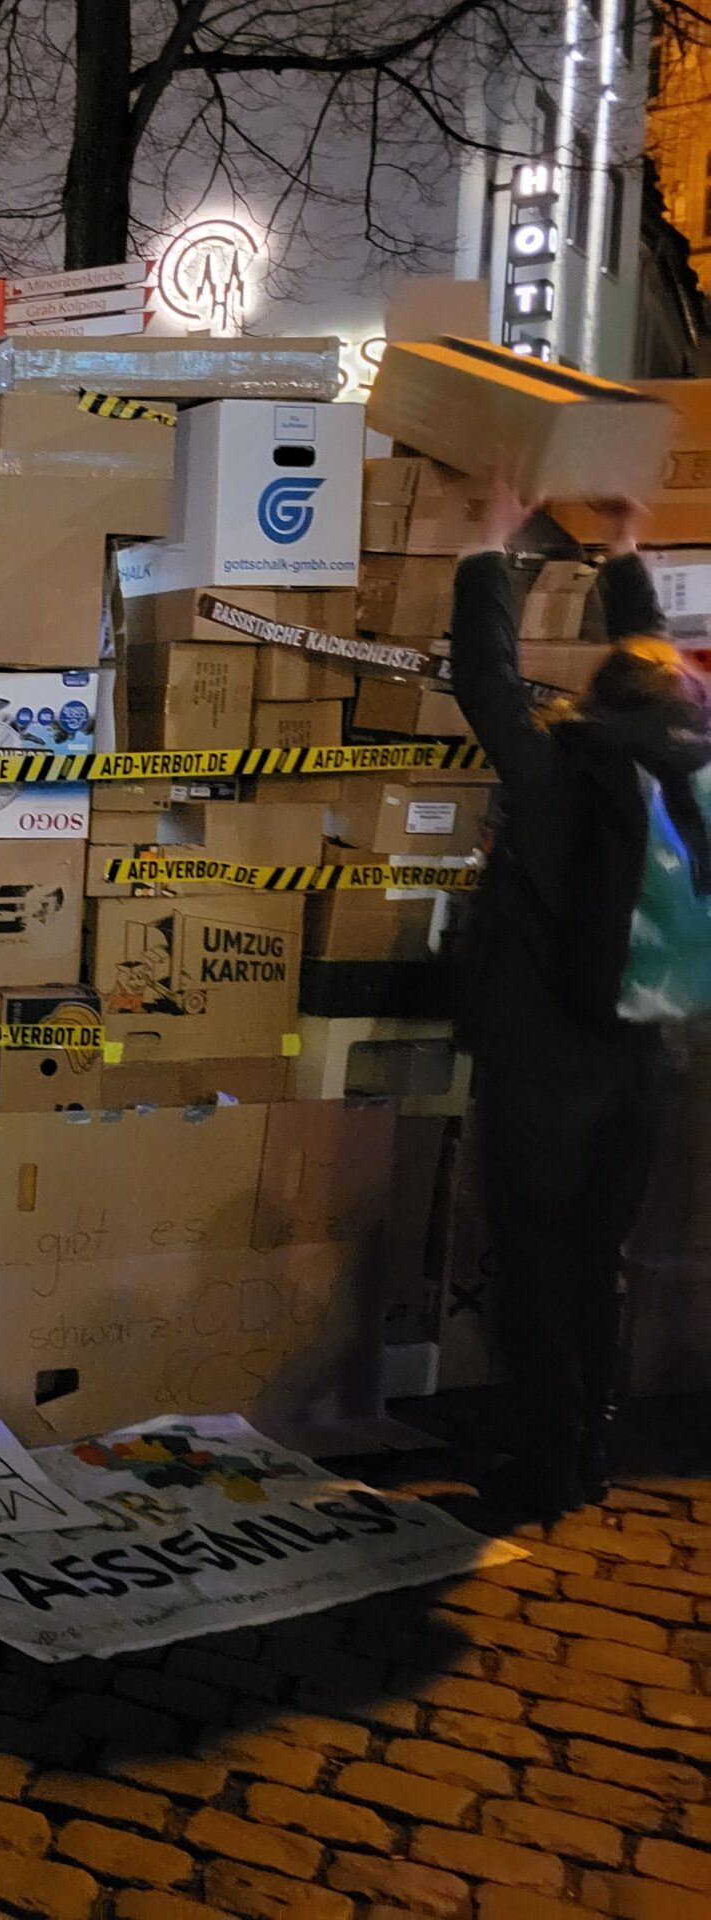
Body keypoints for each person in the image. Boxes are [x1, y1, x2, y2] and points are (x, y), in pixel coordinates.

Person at [451, 483, 711, 1516]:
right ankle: (592, 1443)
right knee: (596, 1256)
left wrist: (487, 549)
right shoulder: (691, 773)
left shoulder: (566, 771)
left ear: (597, 698)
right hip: (645, 1053)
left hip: (543, 1065)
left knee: (534, 1257)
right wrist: (624, 550)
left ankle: (543, 1464)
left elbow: (485, 680)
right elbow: (653, 660)